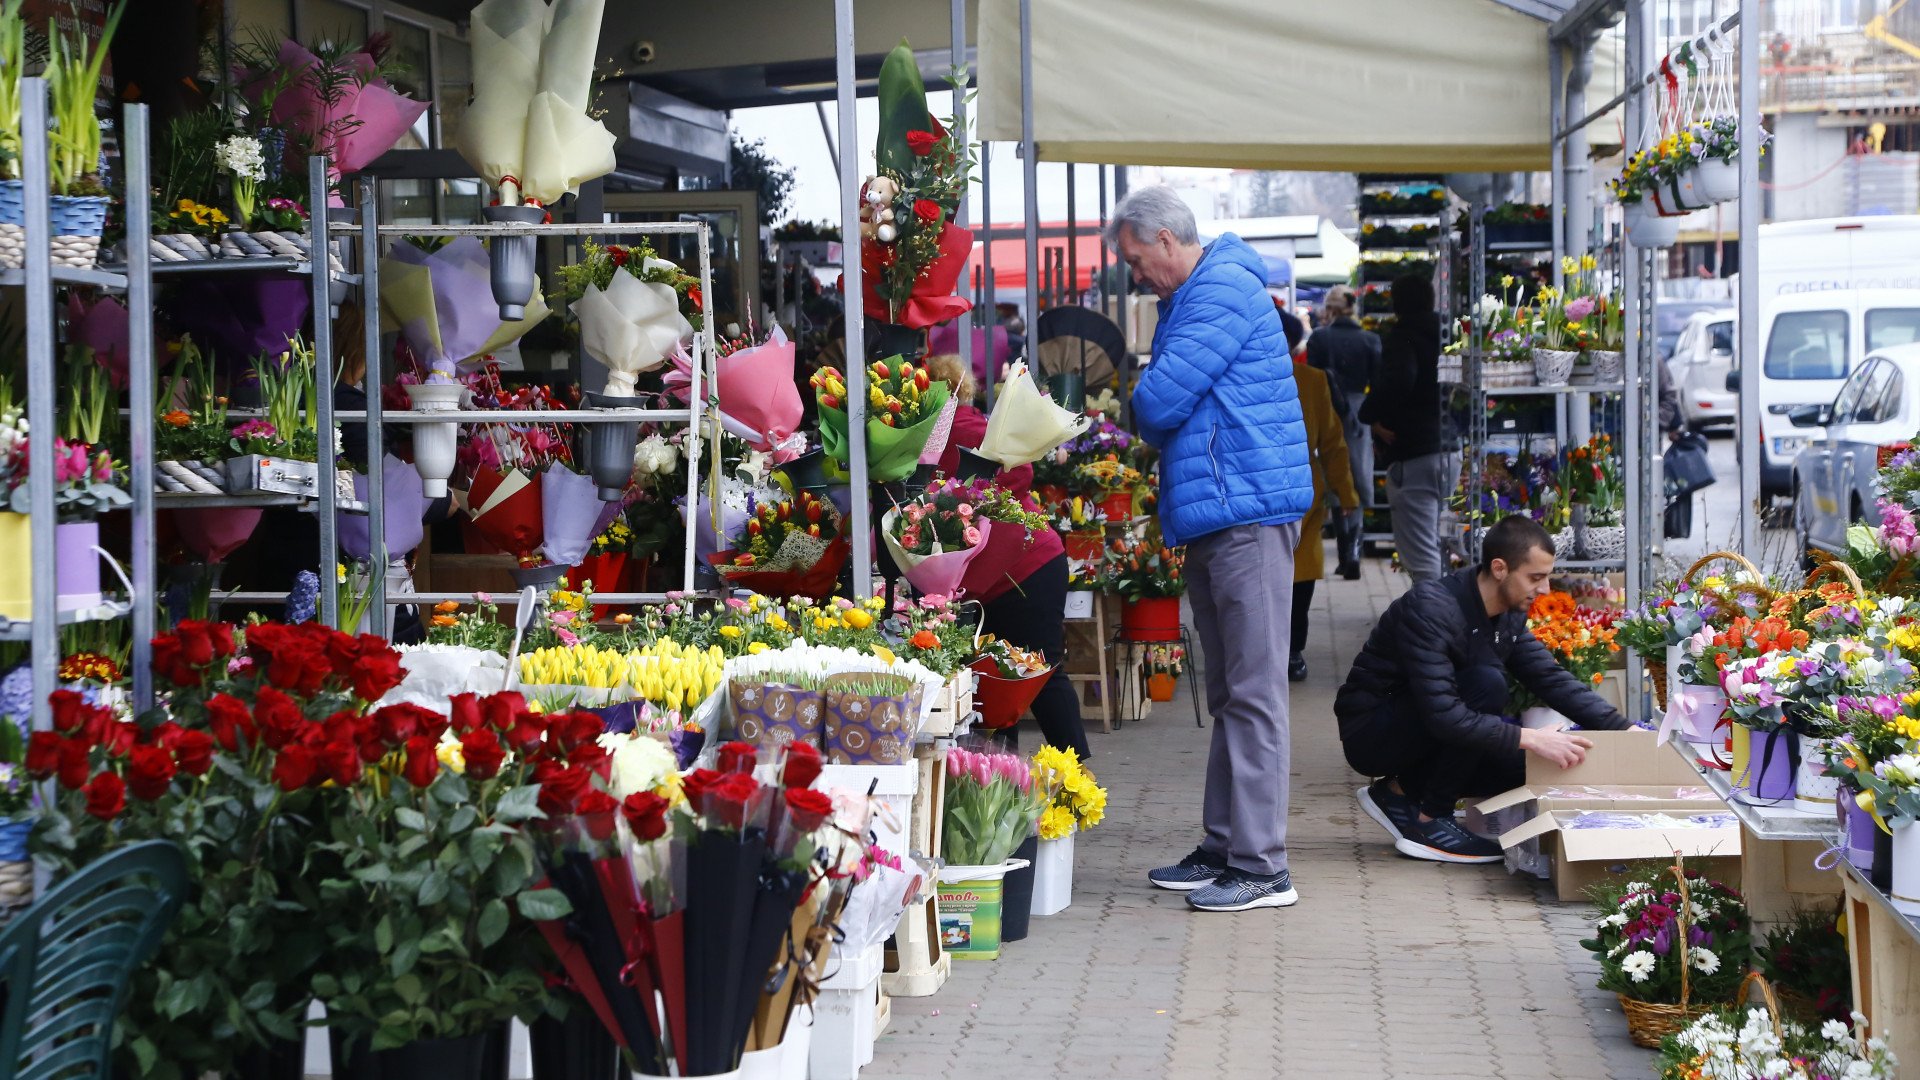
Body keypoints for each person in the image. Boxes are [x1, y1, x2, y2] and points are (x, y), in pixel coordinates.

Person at [1107, 184, 1314, 913]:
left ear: (1166, 239)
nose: (1137, 274)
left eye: (1137, 259)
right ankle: (1226, 846)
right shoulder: (1196, 297)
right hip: (1223, 513)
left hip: (1246, 514)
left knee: (1252, 694)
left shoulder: (1220, 290)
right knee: (1232, 692)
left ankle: (1263, 866)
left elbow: (1156, 403)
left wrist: (1145, 395)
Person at [1334, 515, 1628, 863]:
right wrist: (1530, 736)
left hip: (1427, 725)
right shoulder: (1432, 608)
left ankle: (1398, 793)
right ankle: (1430, 822)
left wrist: (1628, 731)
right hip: (1372, 733)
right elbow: (1444, 714)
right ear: (1500, 568)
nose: (1546, 589)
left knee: (1526, 767)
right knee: (1488, 685)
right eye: (1536, 577)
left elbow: (1549, 678)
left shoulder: (1508, 613)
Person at [922, 353, 1091, 761]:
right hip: (1003, 572)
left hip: (1025, 566)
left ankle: (1077, 783)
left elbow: (1016, 473)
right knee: (996, 678)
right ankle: (1001, 776)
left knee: (1040, 671)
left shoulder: (960, 426)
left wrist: (962, 498)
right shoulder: (935, 431)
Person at [1359, 274, 1458, 584]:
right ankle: (1449, 612)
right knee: (1441, 541)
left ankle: (1434, 622)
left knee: (1421, 552)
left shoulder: (1404, 336)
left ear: (1397, 303)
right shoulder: (1447, 333)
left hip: (1414, 450)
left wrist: (1370, 414)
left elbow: (1400, 379)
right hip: (1449, 446)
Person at [1288, 357, 1359, 683]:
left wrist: (1346, 493)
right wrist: (1344, 493)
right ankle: (1292, 653)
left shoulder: (1313, 379)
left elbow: (1331, 442)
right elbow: (1332, 442)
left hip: (1268, 495)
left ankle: (1285, 652)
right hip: (1304, 490)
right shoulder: (1312, 378)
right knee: (1300, 578)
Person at [1306, 286, 1380, 579]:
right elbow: (1378, 383)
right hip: (1360, 413)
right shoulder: (1370, 339)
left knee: (1332, 473)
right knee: (1358, 477)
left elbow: (1313, 377)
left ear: (1329, 309)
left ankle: (1344, 553)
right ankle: (1355, 552)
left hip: (1327, 408)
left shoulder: (1320, 338)